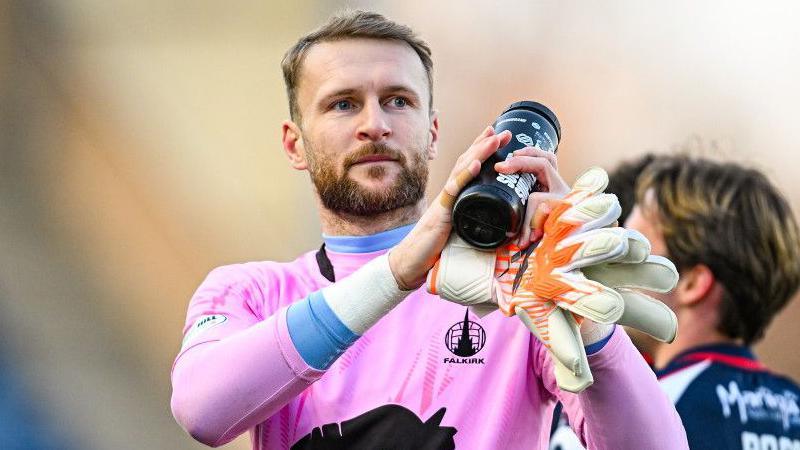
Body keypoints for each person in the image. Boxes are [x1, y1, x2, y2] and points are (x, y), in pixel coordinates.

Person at [170, 11, 687, 449]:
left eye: (399, 100)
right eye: (343, 103)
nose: (375, 123)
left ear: (433, 131)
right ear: (294, 144)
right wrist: (397, 273)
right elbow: (203, 411)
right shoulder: (251, 291)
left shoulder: (515, 289)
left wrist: (589, 326)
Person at [551, 154, 800, 450]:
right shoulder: (792, 404)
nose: (607, 263)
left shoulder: (648, 409)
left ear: (692, 284)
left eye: (631, 248)